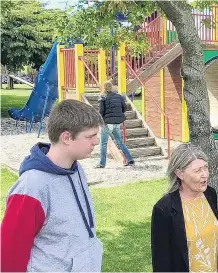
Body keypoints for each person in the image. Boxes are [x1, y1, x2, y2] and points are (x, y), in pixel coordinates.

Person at [1, 100, 104, 272]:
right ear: (66, 137)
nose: (96, 141)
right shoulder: (32, 186)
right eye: (90, 136)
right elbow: (10, 254)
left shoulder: (76, 169)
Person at [151, 143, 218, 272]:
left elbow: (208, 234)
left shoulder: (210, 194)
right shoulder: (164, 209)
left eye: (205, 168)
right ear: (180, 174)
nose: (204, 174)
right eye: (197, 170)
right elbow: (161, 262)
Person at [96, 81, 134, 168]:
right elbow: (124, 108)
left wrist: (100, 121)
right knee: (120, 142)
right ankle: (130, 159)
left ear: (104, 88)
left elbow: (101, 111)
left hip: (107, 123)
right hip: (117, 123)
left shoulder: (102, 97)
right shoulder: (119, 96)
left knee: (103, 144)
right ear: (112, 87)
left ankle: (102, 163)